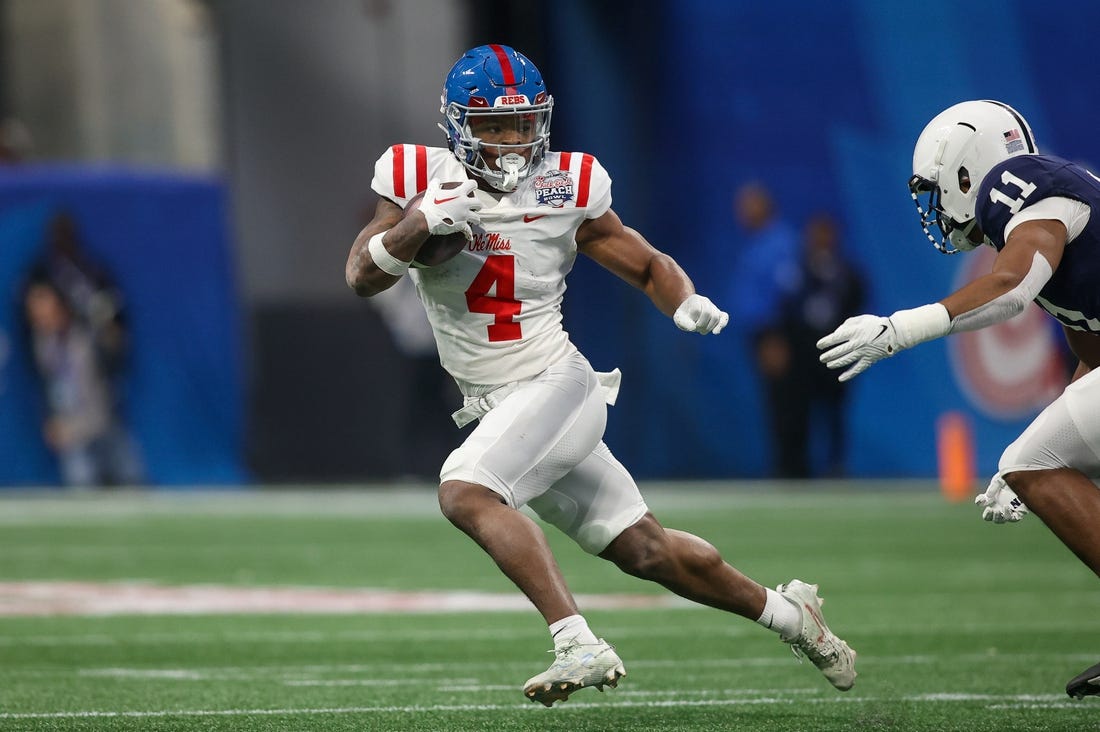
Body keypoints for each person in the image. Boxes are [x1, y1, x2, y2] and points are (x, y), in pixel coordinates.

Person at [345, 44, 855, 706]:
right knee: (647, 551)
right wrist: (416, 224)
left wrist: (685, 301)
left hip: (555, 384)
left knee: (465, 491)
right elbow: (361, 275)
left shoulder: (568, 183)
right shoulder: (414, 173)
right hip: (496, 404)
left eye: (521, 125)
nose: (508, 143)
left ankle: (576, 640)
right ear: (457, 125)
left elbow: (645, 263)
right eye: (494, 127)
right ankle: (795, 617)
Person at [815, 99, 1100, 698]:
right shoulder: (1059, 220)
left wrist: (900, 329)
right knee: (1035, 462)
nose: (933, 206)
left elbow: (1012, 288)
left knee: (1030, 460)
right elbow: (1093, 358)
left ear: (966, 171)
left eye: (935, 188)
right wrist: (1049, 454)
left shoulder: (1013, 182)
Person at [22, 278, 143, 487]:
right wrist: (53, 419)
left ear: (58, 304)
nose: (38, 314)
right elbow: (49, 386)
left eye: (43, 304)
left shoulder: (85, 334)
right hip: (72, 427)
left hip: (104, 420)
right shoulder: (42, 343)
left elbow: (114, 360)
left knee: (130, 481)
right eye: (33, 309)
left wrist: (109, 331)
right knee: (82, 484)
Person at [726, 183, 805, 477]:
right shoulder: (756, 242)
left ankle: (793, 469)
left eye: (749, 205)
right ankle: (785, 466)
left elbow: (786, 293)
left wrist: (776, 337)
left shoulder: (779, 243)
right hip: (761, 334)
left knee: (786, 402)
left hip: (777, 334)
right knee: (774, 401)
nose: (743, 212)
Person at [780, 214, 866, 477]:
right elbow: (786, 308)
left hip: (837, 348)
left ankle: (836, 466)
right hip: (803, 351)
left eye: (826, 233)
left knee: (835, 411)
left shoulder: (847, 272)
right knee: (798, 411)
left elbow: (857, 302)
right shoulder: (795, 270)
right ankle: (796, 468)